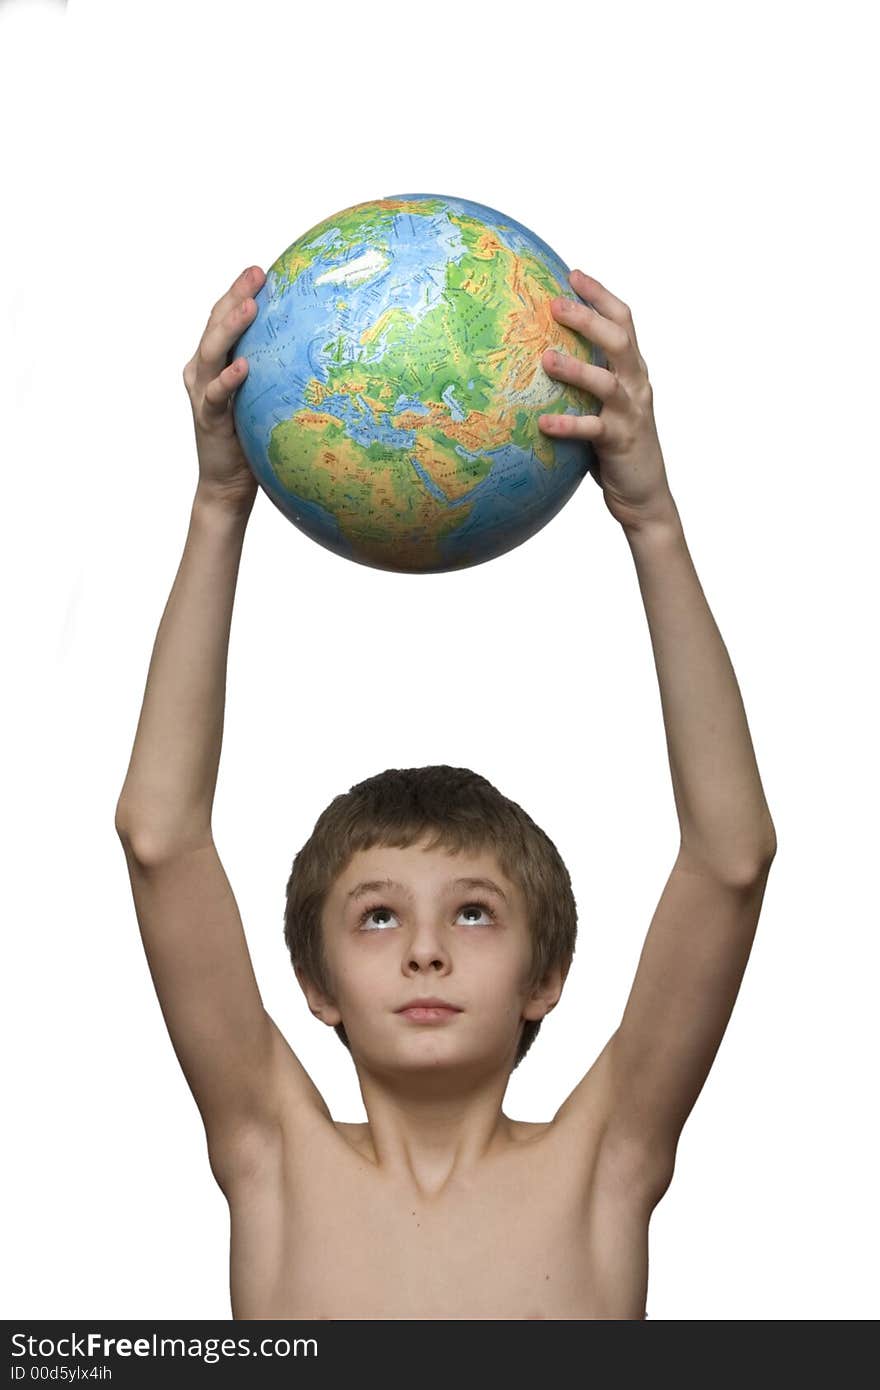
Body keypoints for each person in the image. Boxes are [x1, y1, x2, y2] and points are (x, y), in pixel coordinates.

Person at [114, 264, 777, 1320]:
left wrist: (648, 519)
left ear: (545, 972)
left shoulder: (605, 1161)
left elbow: (729, 861)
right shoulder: (270, 1152)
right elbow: (160, 839)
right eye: (377, 915)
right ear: (316, 982)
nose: (427, 949)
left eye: (474, 910)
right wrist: (216, 503)